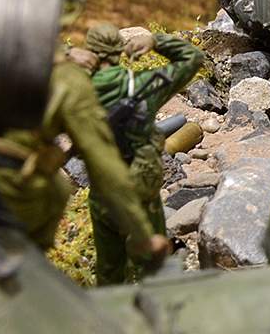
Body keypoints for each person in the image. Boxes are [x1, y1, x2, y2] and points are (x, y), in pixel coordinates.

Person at [0, 57, 167, 269]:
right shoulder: (65, 78)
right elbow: (107, 169)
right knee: (56, 189)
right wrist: (143, 235)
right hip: (6, 193)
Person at [84, 22, 204, 284]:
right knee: (153, 265)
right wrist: (156, 42)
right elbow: (193, 57)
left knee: (109, 270)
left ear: (90, 52)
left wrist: (68, 57)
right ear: (119, 50)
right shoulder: (144, 85)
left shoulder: (75, 91)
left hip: (103, 189)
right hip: (141, 186)